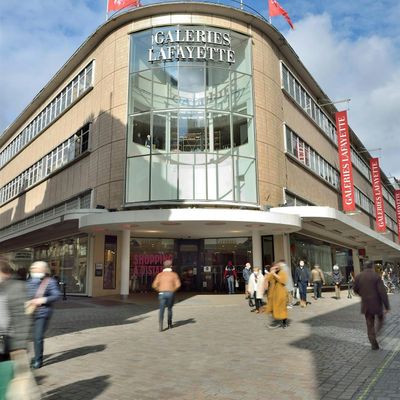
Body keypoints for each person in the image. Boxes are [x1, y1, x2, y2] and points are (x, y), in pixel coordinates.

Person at [0, 259, 37, 399]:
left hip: (12, 344)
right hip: (5, 343)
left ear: (4, 273)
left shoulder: (17, 287)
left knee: (16, 382)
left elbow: (24, 318)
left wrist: (19, 345)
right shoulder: (3, 287)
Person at [26, 260, 61, 369]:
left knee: (38, 337)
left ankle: (38, 360)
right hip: (29, 312)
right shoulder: (30, 280)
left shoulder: (49, 281)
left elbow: (56, 295)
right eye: (32, 268)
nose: (33, 270)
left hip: (42, 313)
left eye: (35, 268)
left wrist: (43, 299)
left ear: (42, 270)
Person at [353, 261, 390, 350]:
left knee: (369, 324)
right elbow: (382, 292)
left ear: (364, 267)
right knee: (380, 319)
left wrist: (363, 294)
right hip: (377, 305)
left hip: (366, 305)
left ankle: (373, 342)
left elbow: (355, 289)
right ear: (372, 266)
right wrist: (387, 306)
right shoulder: (376, 276)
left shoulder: (358, 276)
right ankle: (377, 332)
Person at [152, 260, 181, 332]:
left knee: (161, 309)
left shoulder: (160, 275)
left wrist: (160, 290)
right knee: (169, 309)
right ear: (171, 266)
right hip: (170, 293)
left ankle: (160, 326)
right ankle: (169, 324)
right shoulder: (174, 274)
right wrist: (172, 290)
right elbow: (178, 285)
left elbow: (154, 285)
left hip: (162, 293)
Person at [266, 261, 289, 329]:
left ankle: (284, 323)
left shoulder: (283, 272)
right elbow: (268, 279)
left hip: (281, 293)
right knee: (273, 308)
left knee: (282, 308)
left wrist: (275, 274)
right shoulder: (274, 272)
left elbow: (283, 281)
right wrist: (271, 272)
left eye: (277, 266)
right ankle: (276, 321)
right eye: (275, 266)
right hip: (274, 294)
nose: (276, 267)